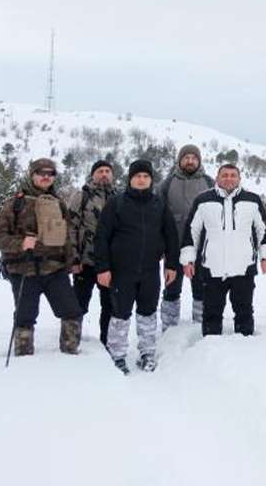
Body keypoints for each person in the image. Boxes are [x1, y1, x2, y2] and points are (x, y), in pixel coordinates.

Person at [0, 158, 84, 358]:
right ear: (32, 174)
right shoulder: (15, 203)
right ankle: (23, 359)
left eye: (50, 173)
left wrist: (72, 262)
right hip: (24, 269)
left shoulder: (58, 203)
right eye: (41, 172)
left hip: (55, 269)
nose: (46, 177)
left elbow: (66, 237)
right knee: (25, 318)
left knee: (72, 312)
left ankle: (71, 356)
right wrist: (21, 243)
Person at [95, 160, 180, 373]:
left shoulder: (159, 204)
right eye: (137, 176)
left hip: (150, 271)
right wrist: (103, 268)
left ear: (151, 180)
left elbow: (171, 236)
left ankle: (147, 353)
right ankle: (117, 355)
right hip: (122, 271)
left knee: (148, 313)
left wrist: (171, 264)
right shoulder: (117, 203)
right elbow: (102, 237)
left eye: (146, 176)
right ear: (130, 179)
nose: (141, 180)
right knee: (120, 314)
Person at [181, 163, 266, 337]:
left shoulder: (252, 200)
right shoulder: (203, 200)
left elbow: (264, 229)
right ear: (217, 178)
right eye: (225, 175)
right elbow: (191, 231)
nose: (229, 178)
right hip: (212, 267)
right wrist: (188, 259)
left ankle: (245, 344)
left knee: (244, 311)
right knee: (211, 312)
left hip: (244, 266)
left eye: (233, 175)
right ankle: (210, 347)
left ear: (239, 179)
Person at [157, 144, 215, 330]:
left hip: (201, 247)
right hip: (174, 246)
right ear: (180, 160)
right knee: (172, 287)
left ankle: (200, 325)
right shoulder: (167, 183)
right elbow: (158, 215)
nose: (190, 161)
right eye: (186, 157)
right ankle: (169, 326)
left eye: (193, 158)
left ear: (199, 161)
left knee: (201, 287)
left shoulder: (209, 182)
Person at [66, 160, 116, 344]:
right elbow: (70, 227)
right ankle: (71, 341)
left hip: (110, 264)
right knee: (78, 304)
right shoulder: (81, 196)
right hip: (85, 262)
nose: (104, 174)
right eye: (100, 171)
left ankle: (107, 342)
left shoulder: (119, 197)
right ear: (93, 174)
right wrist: (74, 259)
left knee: (110, 306)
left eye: (108, 171)